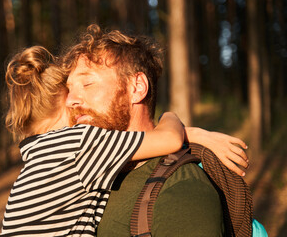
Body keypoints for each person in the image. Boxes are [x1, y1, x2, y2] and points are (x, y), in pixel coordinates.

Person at [62, 24, 250, 236]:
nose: (70, 100)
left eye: (87, 84)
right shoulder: (81, 173)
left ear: (137, 88)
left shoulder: (180, 189)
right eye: (69, 89)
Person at [0, 46, 199, 237]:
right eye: (70, 91)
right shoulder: (77, 143)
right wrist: (170, 117)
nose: (76, 100)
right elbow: (170, 139)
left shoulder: (41, 156)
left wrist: (195, 135)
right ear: (65, 102)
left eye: (86, 86)